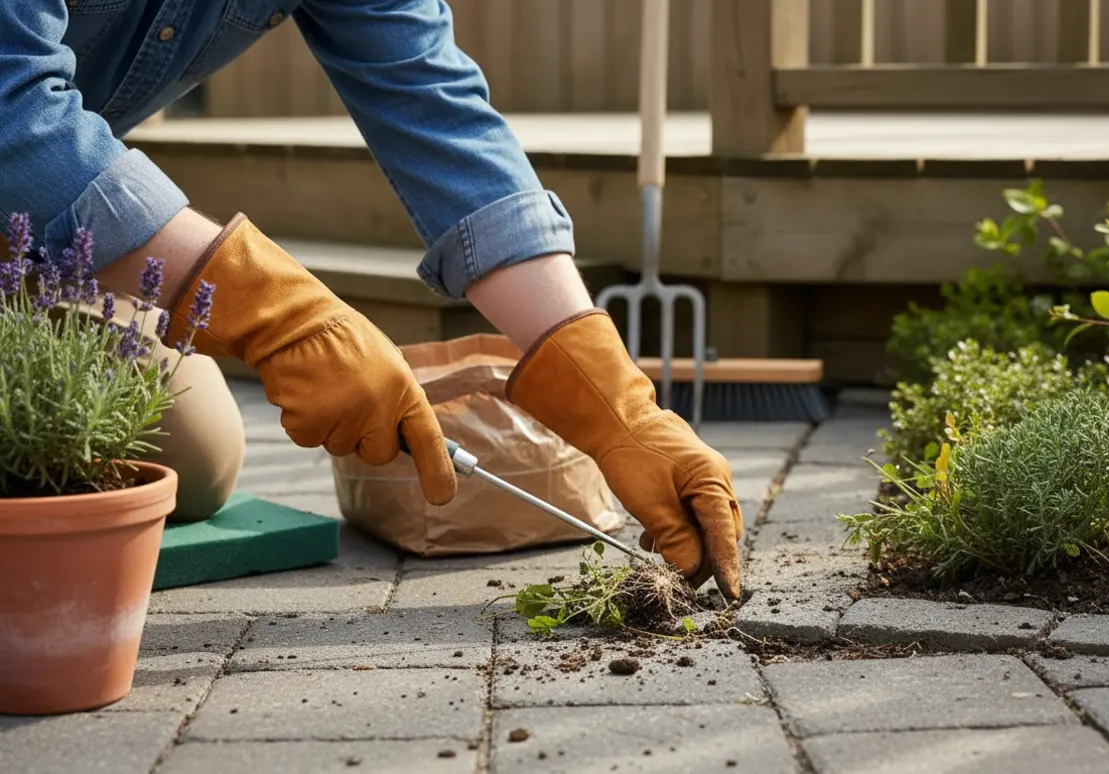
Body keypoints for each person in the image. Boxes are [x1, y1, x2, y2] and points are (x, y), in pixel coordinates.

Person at [2, 1, 742, 600]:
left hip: (40, 243)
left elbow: (438, 110)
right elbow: (14, 108)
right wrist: (280, 316)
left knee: (196, 458)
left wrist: (617, 407)